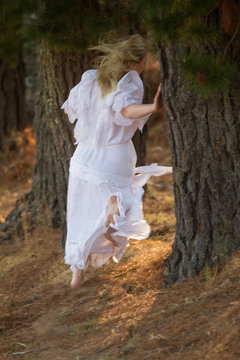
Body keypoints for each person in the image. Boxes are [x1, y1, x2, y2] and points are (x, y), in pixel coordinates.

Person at [61, 34, 172, 288]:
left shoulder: (91, 79)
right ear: (138, 60)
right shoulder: (130, 81)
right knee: (121, 204)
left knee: (80, 213)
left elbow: (72, 109)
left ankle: (77, 275)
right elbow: (125, 111)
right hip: (113, 155)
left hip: (84, 158)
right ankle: (113, 214)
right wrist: (152, 107)